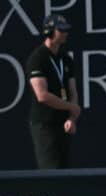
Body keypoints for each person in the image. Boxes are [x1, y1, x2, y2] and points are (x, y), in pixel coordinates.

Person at [26, 14, 80, 169]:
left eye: (66, 30)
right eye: (61, 30)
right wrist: (71, 107)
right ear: (49, 32)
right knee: (51, 171)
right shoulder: (37, 58)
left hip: (64, 124)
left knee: (65, 172)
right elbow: (42, 95)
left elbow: (72, 91)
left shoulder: (66, 58)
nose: (65, 33)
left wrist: (72, 118)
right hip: (45, 124)